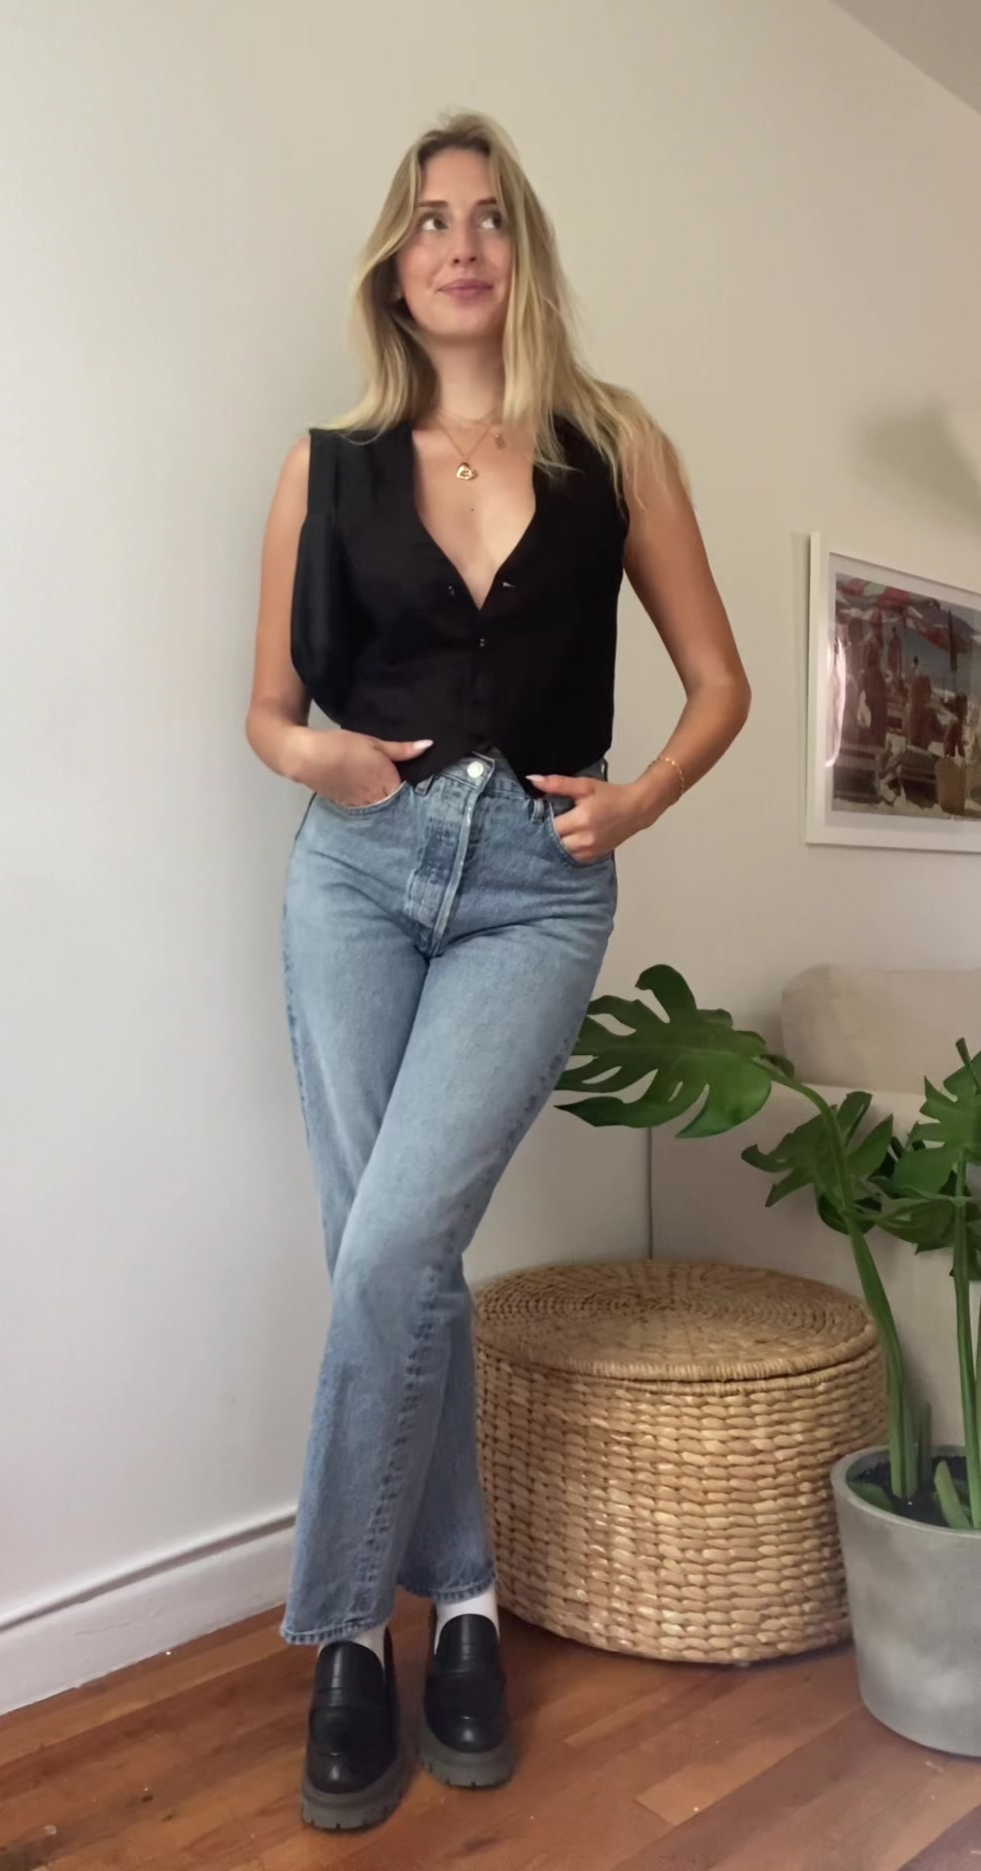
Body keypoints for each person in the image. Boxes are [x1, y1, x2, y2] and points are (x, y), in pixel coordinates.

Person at [245, 111, 750, 1832]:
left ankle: (341, 1632)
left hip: (537, 892)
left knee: (395, 1242)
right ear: (395, 266)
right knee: (393, 1256)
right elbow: (266, 711)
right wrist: (315, 758)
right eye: (428, 220)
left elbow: (720, 684)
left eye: (488, 218)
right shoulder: (328, 465)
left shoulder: (617, 445)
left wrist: (640, 800)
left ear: (522, 251)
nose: (459, 244)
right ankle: (458, 1606)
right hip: (357, 875)